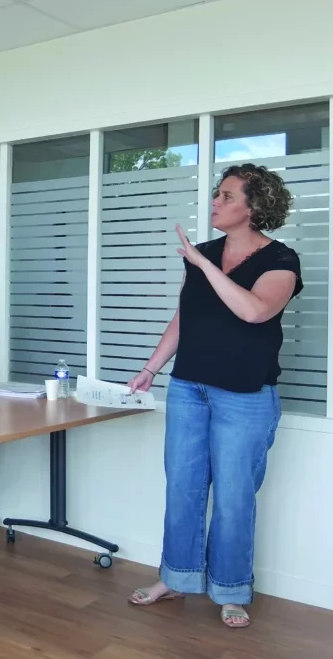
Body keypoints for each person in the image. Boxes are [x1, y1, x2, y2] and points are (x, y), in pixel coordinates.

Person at [126, 164, 303, 629]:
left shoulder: (281, 262)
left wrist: (204, 265)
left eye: (226, 196)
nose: (215, 202)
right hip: (189, 388)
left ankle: (230, 590)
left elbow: (255, 311)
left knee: (233, 496)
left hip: (245, 395)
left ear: (253, 206)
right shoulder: (200, 254)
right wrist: (151, 368)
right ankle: (177, 577)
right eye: (216, 195)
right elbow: (187, 316)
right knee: (182, 490)